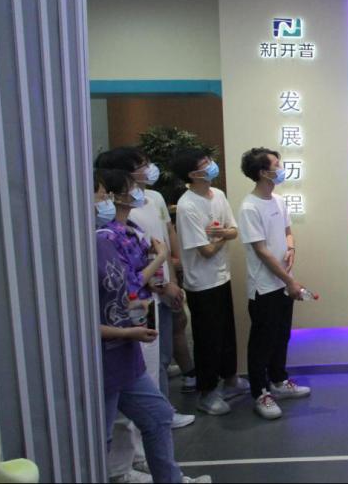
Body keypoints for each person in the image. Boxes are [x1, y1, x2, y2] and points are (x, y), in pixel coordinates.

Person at [94, 168, 211, 484]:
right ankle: (120, 472)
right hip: (106, 353)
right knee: (102, 437)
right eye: (102, 194)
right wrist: (159, 259)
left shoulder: (128, 231)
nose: (138, 190)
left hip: (128, 345)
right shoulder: (103, 239)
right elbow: (128, 285)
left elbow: (134, 287)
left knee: (157, 415)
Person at [96, 147, 195, 429]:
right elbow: (133, 278)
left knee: (155, 360)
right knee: (142, 370)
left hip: (149, 299)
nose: (148, 169)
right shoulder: (108, 234)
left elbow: (163, 237)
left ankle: (160, 414)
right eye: (141, 165)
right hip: (131, 310)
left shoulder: (140, 214)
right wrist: (161, 264)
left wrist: (170, 275)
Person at [171, 149, 249, 415]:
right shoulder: (187, 205)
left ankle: (231, 380)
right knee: (208, 338)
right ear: (193, 174)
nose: (211, 166)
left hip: (222, 275)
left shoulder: (218, 195)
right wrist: (223, 236)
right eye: (204, 164)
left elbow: (234, 230)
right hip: (201, 282)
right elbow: (204, 250)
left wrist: (222, 235)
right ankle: (207, 392)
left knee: (226, 332)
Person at [237, 148, 312, 420]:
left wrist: (291, 249)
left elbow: (288, 232)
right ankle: (260, 393)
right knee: (262, 342)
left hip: (283, 284)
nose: (281, 169)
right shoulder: (249, 207)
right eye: (276, 165)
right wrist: (290, 280)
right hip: (265, 286)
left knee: (282, 335)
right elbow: (261, 251)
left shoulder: (278, 201)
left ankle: (279, 381)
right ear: (262, 173)